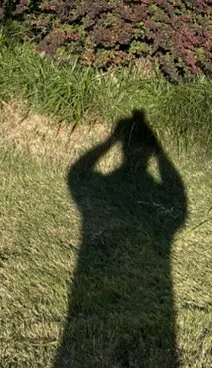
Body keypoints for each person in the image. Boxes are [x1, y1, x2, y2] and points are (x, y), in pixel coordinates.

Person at [54, 109, 187, 367]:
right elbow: (179, 202)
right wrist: (159, 152)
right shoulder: (159, 205)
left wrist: (109, 141)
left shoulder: (99, 190)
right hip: (152, 289)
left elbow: (76, 174)